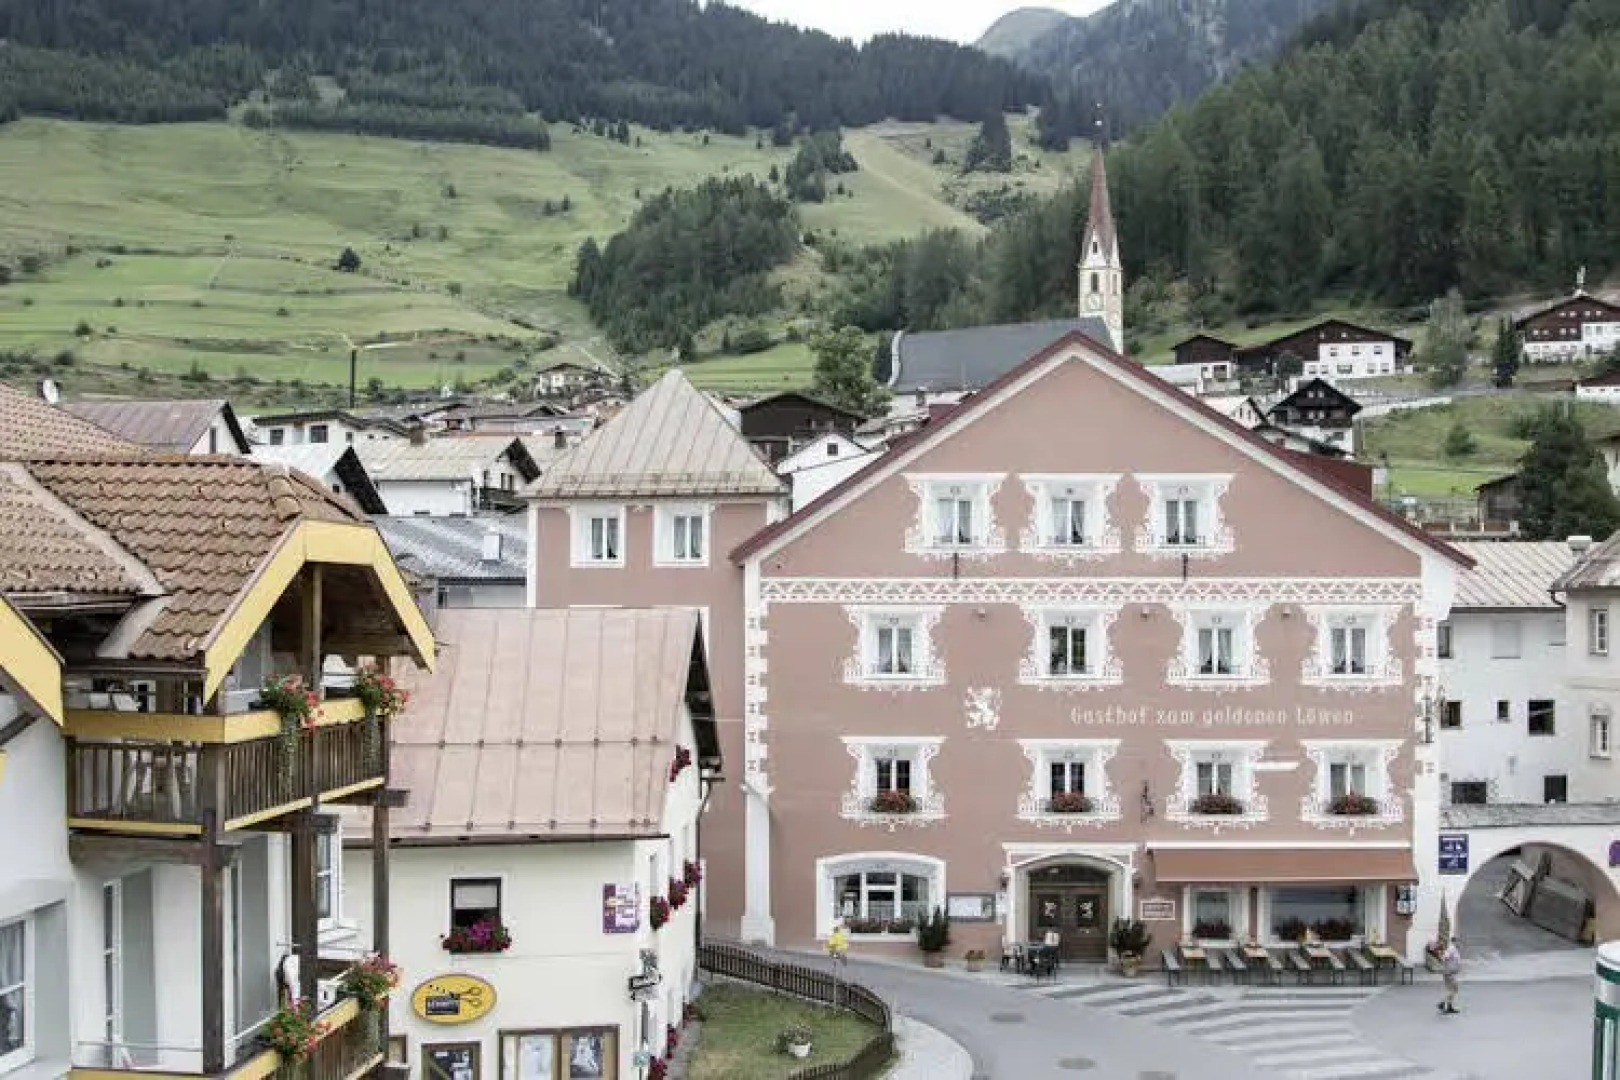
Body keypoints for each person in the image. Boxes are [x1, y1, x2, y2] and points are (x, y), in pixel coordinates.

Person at [1437, 937, 1462, 1014]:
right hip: (1449, 973)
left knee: (1454, 989)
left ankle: (1449, 1006)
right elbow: (1444, 958)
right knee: (1453, 989)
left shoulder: (1455, 949)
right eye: (1458, 941)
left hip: (1451, 972)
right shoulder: (1451, 949)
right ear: (1454, 941)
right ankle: (1442, 1004)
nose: (1459, 943)